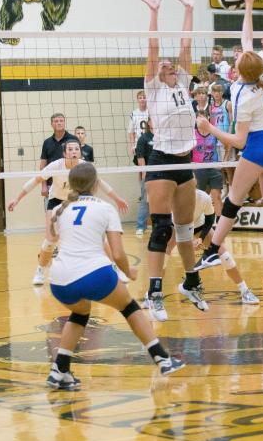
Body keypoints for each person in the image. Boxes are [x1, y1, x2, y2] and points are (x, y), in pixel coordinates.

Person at [195, 0, 263, 292]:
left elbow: (239, 142)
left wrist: (209, 129)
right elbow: (248, 37)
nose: (237, 55)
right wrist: (249, 3)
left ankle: (212, 251)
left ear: (240, 68)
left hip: (257, 144)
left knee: (233, 201)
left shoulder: (239, 94)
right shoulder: (262, 74)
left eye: (238, 57)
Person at [45, 162, 184, 390]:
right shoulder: (105, 208)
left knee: (79, 314)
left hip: (59, 281)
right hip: (94, 274)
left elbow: (54, 238)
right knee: (129, 307)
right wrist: (128, 271)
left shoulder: (62, 210)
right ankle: (162, 358)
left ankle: (59, 370)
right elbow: (118, 253)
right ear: (97, 184)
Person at [139, 0, 202, 321]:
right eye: (164, 65)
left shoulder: (182, 84)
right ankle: (154, 292)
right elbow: (153, 48)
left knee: (185, 230)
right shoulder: (153, 89)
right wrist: (154, 11)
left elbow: (186, 45)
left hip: (185, 162)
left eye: (170, 64)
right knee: (160, 230)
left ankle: (191, 282)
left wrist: (189, 9)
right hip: (162, 162)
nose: (169, 65)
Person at [9, 139, 128, 285]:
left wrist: (117, 199)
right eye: (70, 150)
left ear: (80, 152)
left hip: (77, 199)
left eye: (76, 149)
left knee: (98, 236)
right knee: (51, 238)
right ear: (64, 153)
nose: (73, 152)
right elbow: (35, 181)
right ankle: (40, 270)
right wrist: (16, 199)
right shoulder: (56, 165)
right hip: (56, 200)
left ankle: (116, 268)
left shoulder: (84, 166)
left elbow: (100, 183)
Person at [167, 189, 259, 305]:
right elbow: (174, 226)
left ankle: (244, 291)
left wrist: (201, 237)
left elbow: (210, 219)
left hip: (200, 226)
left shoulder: (203, 197)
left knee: (225, 255)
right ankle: (153, 294)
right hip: (179, 227)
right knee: (164, 253)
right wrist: (191, 241)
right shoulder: (174, 199)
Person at [38, 113, 77, 207]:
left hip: (70, 184)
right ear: (52, 124)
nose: (59, 123)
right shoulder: (47, 142)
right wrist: (43, 186)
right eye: (56, 121)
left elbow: (78, 162)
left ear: (64, 123)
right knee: (51, 217)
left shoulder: (73, 139)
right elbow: (43, 165)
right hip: (51, 184)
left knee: (70, 216)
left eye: (61, 121)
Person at [191, 108, 224, 217]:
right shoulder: (193, 134)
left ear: (208, 119)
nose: (201, 120)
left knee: (217, 197)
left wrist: (224, 161)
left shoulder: (214, 132)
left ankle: (219, 224)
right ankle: (200, 223)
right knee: (200, 199)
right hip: (199, 170)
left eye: (203, 117)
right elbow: (186, 151)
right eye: (199, 118)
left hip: (214, 169)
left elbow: (227, 145)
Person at [133, 118, 154, 237]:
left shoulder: (163, 136)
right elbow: (140, 158)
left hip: (162, 174)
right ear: (149, 123)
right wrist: (144, 173)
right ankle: (140, 226)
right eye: (153, 120)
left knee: (161, 201)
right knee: (145, 201)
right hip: (149, 174)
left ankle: (158, 226)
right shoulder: (144, 138)